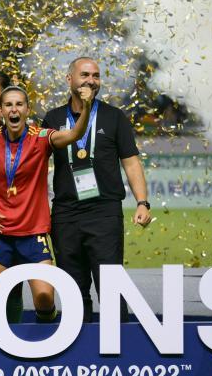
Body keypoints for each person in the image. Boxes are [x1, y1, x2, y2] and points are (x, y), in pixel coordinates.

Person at [42, 57, 151, 321]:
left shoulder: (114, 117)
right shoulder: (53, 118)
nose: (91, 80)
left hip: (104, 212)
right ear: (69, 79)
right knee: (72, 289)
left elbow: (131, 162)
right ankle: (79, 343)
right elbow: (37, 166)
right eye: (85, 75)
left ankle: (119, 342)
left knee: (111, 287)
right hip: (65, 213)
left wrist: (142, 202)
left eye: (96, 76)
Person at [0, 85, 93, 322]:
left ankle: (45, 335)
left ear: (27, 109)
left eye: (19, 104)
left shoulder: (41, 137)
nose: (14, 109)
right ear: (1, 111)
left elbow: (74, 134)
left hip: (32, 233)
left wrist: (87, 107)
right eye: (8, 105)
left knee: (44, 298)